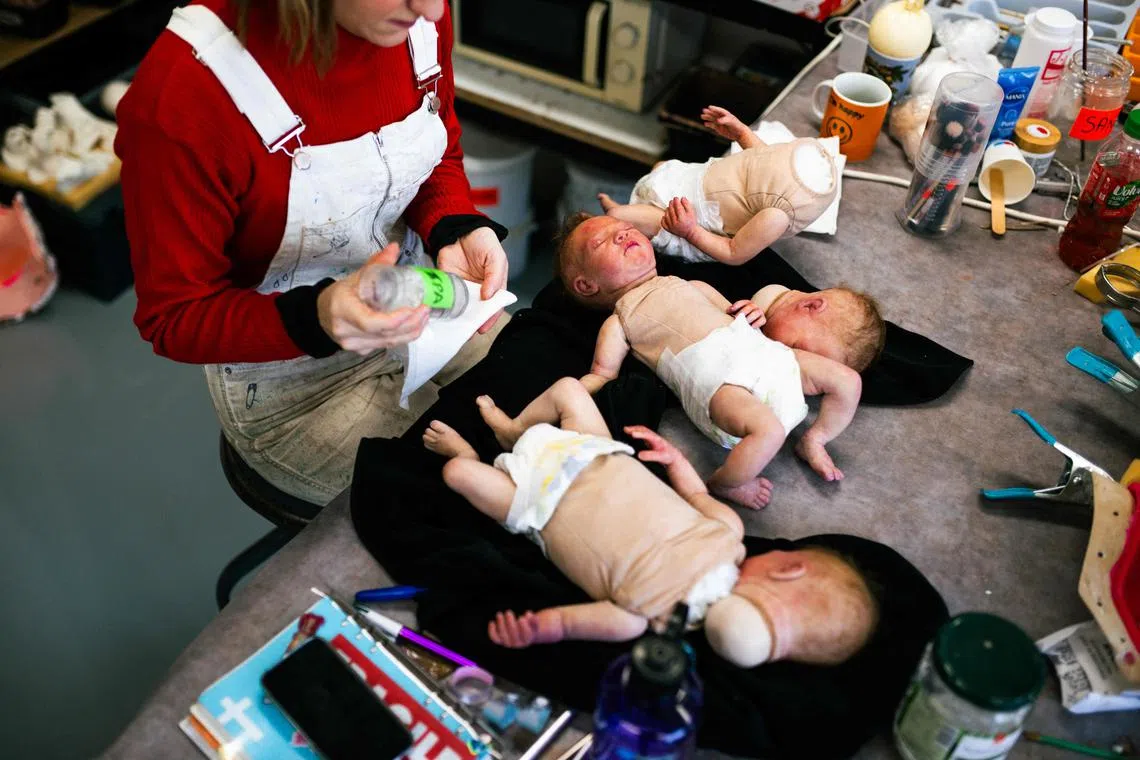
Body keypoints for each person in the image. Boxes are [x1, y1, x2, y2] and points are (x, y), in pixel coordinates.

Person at [116, 0, 510, 504]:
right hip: (295, 384)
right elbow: (175, 317)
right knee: (467, 507)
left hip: (417, 298)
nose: (432, 8)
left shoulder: (416, 22)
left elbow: (439, 150)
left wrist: (453, 224)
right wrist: (321, 317)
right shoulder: (185, 96)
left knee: (539, 410)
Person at [421, 377, 879, 666]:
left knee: (457, 473)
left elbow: (561, 624)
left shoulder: (641, 618)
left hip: (532, 504)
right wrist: (673, 456)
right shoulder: (729, 535)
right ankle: (511, 429)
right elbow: (695, 492)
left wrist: (535, 629)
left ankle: (470, 453)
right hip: (595, 453)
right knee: (568, 389)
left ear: (785, 564)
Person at [557, 214, 884, 507]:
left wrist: (751, 312)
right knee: (767, 431)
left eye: (626, 229)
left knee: (847, 380)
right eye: (602, 242)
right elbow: (602, 374)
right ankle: (726, 483)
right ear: (587, 285)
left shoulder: (691, 284)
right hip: (720, 381)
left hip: (764, 355)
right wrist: (571, 395)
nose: (621, 235)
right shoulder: (620, 322)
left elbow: (732, 312)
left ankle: (815, 438)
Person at [599, 105, 837, 265]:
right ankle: (638, 196)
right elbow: (761, 156)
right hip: (690, 181)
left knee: (623, 215)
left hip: (691, 220)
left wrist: (690, 231)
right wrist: (741, 132)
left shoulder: (778, 215)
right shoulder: (780, 166)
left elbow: (734, 252)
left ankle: (611, 210)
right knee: (660, 167)